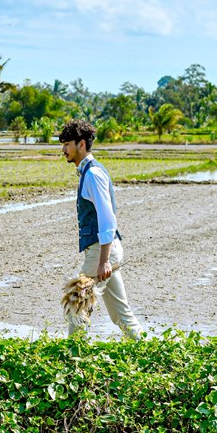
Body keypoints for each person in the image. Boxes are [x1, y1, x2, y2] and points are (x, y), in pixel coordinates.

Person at [59, 119, 144, 339]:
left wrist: (104, 260)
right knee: (120, 312)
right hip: (106, 249)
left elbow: (107, 219)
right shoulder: (88, 172)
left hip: (101, 250)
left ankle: (73, 356)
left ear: (81, 145)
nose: (63, 149)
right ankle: (144, 348)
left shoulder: (93, 174)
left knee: (77, 300)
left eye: (67, 144)